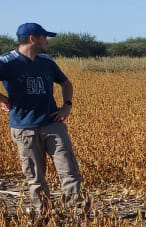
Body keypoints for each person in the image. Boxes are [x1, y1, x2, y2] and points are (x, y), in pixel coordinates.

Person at [0, 22, 86, 214]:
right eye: (44, 37)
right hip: (24, 128)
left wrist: (66, 107)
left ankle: (76, 212)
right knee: (35, 176)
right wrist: (2, 98)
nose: (46, 41)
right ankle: (44, 214)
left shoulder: (46, 61)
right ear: (33, 39)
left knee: (69, 170)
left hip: (52, 124)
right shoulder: (6, 62)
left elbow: (66, 83)